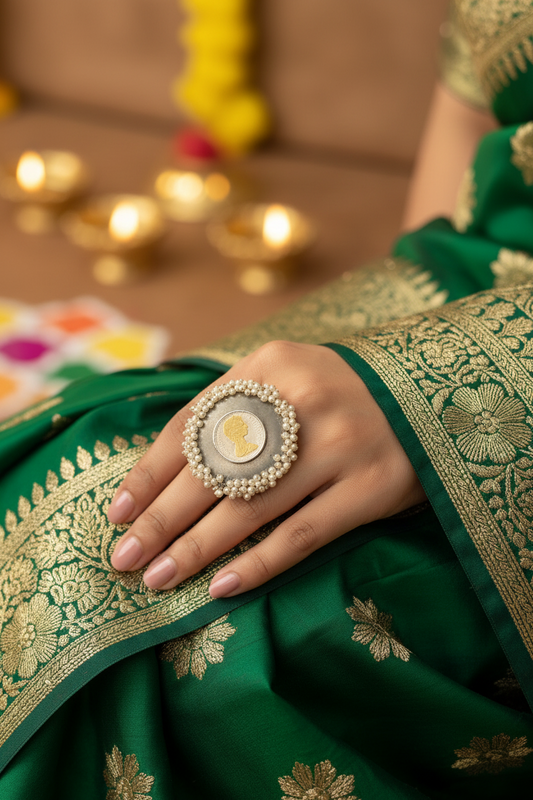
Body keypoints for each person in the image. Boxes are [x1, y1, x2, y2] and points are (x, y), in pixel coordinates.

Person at [1, 1, 533, 797]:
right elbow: (473, 99)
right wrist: (401, 338)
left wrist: (436, 385)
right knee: (72, 457)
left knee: (225, 656)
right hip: (462, 278)